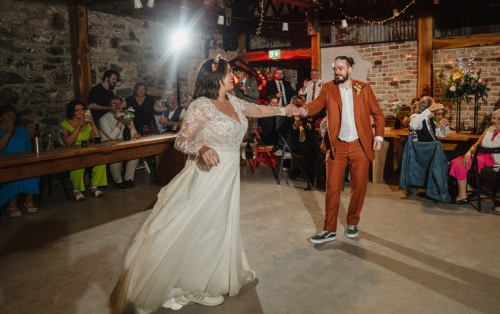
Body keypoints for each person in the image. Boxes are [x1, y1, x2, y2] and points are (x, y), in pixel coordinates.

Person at [110, 56, 293, 313]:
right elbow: (181, 140)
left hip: (228, 176)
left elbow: (259, 110)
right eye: (230, 72)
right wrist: (201, 146)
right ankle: (193, 285)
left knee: (222, 224)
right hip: (208, 175)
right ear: (215, 76)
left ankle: (221, 273)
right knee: (204, 226)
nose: (235, 77)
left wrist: (287, 110)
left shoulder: (234, 102)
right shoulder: (202, 105)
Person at [297, 56, 385, 244]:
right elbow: (316, 105)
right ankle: (329, 230)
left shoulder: (364, 88)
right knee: (333, 188)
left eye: (341, 68)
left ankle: (353, 222)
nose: (337, 71)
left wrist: (378, 135)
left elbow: (378, 114)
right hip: (337, 146)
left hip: (360, 145)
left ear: (350, 69)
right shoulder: (328, 88)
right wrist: (303, 110)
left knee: (359, 187)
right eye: (335, 68)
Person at [448, 109, 500, 203]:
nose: (495, 121)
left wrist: (489, 131)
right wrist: (468, 154)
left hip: (495, 161)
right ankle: (467, 189)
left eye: (499, 118)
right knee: (454, 161)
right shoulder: (493, 129)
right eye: (494, 118)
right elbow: (478, 143)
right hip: (483, 155)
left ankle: (462, 196)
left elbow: (485, 145)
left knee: (460, 164)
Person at [60, 100, 107, 200]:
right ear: (71, 111)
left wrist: (92, 122)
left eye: (82, 109)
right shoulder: (65, 124)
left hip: (86, 150)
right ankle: (77, 190)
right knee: (78, 164)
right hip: (72, 152)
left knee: (101, 161)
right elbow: (69, 142)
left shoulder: (88, 123)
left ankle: (94, 186)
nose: (80, 112)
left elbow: (96, 138)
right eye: (77, 110)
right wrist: (80, 124)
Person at [0, 104, 39, 217]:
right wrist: (8, 132)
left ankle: (29, 201)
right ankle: (12, 204)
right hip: (6, 163)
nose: (12, 117)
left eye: (13, 115)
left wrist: (32, 135)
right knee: (14, 174)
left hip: (24, 160)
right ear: (0, 117)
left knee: (34, 171)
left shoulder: (22, 130)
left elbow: (31, 147)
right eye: (8, 115)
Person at [99, 97, 139, 189]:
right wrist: (121, 120)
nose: (117, 106)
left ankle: (128, 179)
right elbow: (112, 137)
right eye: (114, 104)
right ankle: (118, 181)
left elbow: (134, 134)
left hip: (124, 145)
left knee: (136, 154)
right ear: (109, 108)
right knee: (116, 157)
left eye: (119, 104)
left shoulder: (127, 115)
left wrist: (130, 127)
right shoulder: (103, 119)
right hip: (109, 147)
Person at [233, 66, 260, 166]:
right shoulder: (236, 85)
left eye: (238, 73)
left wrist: (246, 90)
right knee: (242, 137)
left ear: (244, 73)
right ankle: (243, 158)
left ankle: (254, 157)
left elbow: (257, 95)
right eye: (235, 74)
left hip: (252, 112)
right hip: (242, 114)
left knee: (253, 136)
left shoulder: (252, 82)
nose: (237, 75)